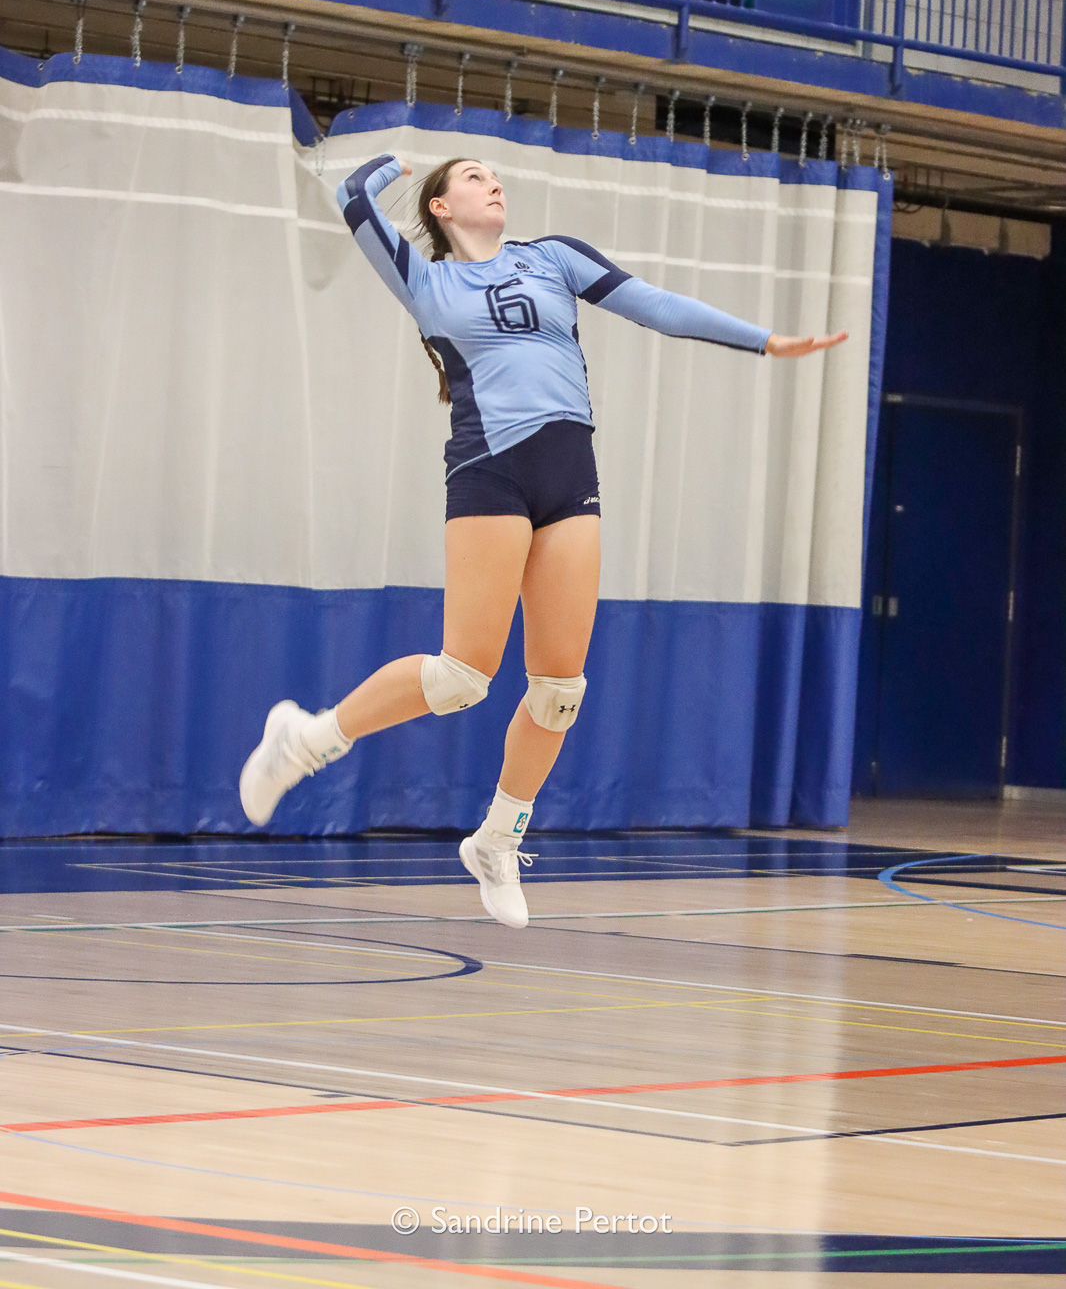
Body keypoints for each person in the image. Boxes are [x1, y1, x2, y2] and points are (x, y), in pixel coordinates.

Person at [240, 153, 847, 928]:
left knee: (560, 691)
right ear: (440, 207)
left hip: (569, 472)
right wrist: (398, 164)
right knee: (463, 675)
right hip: (490, 472)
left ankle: (497, 840)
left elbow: (655, 305)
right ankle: (307, 740)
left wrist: (764, 341)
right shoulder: (426, 282)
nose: (491, 181)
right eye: (471, 176)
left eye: (494, 174)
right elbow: (353, 197)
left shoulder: (554, 257)